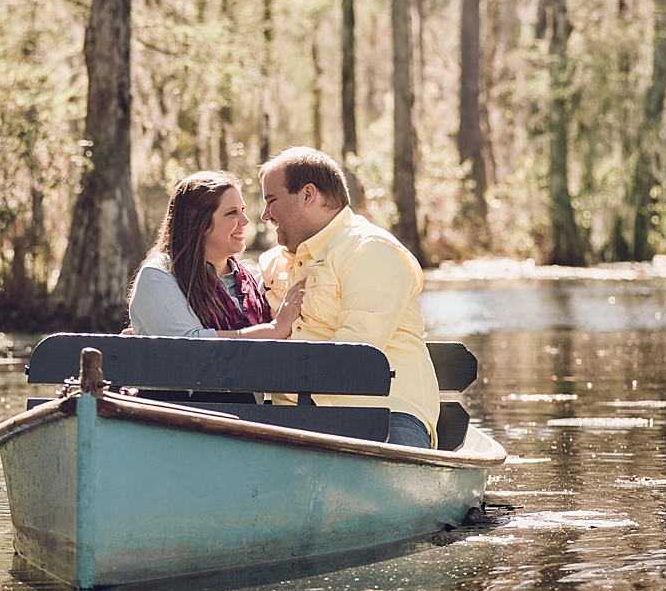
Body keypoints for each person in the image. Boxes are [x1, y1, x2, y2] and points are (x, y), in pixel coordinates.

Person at [257, 147, 439, 448]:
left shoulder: (370, 251)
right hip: (292, 422)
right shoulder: (273, 265)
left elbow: (356, 355)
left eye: (271, 200)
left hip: (381, 413)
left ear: (307, 195)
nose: (265, 215)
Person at [128, 170, 304, 340]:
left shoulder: (252, 279)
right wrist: (275, 330)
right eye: (232, 213)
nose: (245, 220)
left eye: (243, 209)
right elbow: (188, 344)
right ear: (200, 223)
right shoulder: (159, 276)